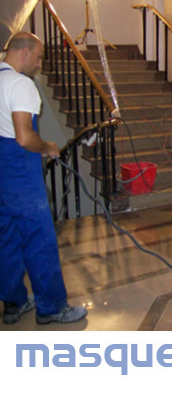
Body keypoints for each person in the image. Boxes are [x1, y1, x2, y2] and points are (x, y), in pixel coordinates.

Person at [0, 31, 87, 325]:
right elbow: (24, 137)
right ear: (24, 52)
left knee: (6, 238)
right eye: (37, 58)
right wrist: (48, 147)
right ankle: (51, 307)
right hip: (20, 174)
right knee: (39, 239)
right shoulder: (21, 84)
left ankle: (13, 302)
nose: (39, 65)